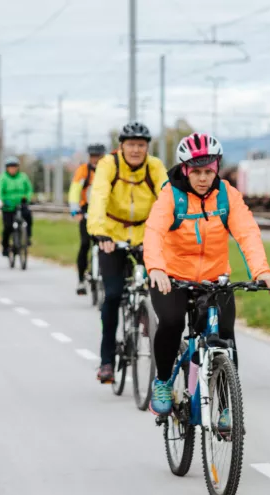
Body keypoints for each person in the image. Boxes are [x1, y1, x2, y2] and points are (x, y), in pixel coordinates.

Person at [143, 132, 270, 416]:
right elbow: (154, 232)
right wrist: (156, 268)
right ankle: (161, 382)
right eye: (196, 171)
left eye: (209, 171)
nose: (203, 178)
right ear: (185, 169)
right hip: (172, 278)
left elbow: (247, 234)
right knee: (171, 323)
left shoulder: (227, 196)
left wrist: (262, 271)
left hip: (214, 279)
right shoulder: (171, 196)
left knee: (224, 338)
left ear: (217, 168)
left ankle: (224, 407)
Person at [86, 122, 168, 384]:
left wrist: (170, 230)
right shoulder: (108, 165)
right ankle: (107, 360)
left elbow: (167, 198)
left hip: (146, 233)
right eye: (131, 144)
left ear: (147, 147)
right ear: (121, 146)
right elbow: (98, 197)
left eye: (141, 145)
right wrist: (100, 233)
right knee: (112, 295)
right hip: (112, 235)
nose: (135, 150)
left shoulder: (154, 166)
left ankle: (151, 326)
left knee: (161, 289)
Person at [68, 143, 107, 295]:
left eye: (99, 157)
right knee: (85, 244)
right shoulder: (83, 170)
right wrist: (74, 210)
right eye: (93, 157)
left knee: (106, 246)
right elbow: (75, 189)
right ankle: (81, 280)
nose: (96, 160)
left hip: (105, 212)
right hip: (87, 211)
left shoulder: (109, 169)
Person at [0, 156, 34, 257]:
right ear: (7, 168)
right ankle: (5, 246)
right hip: (8, 206)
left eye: (14, 167)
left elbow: (29, 189)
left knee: (28, 216)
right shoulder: (3, 178)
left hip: (21, 204)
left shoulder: (23, 177)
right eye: (10, 167)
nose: (12, 169)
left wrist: (27, 198)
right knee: (8, 227)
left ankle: (27, 237)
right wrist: (3, 201)